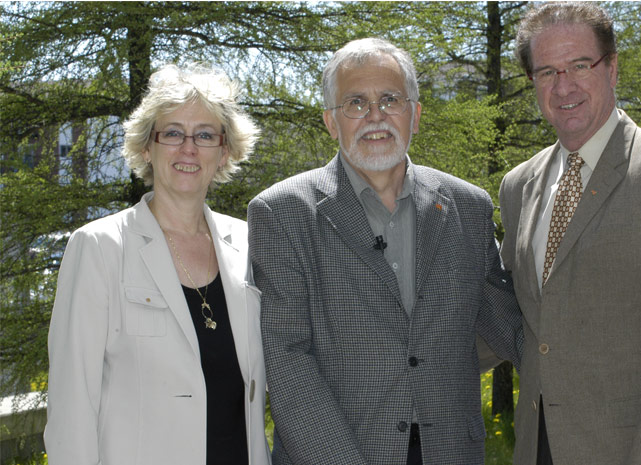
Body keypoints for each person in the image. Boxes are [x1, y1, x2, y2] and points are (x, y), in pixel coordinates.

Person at [248, 38, 523, 465]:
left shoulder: (468, 207)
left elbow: (510, 325)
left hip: (450, 452)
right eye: (355, 103)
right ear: (330, 121)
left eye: (390, 99)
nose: (375, 116)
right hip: (337, 452)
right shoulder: (282, 213)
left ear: (415, 113)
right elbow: (287, 363)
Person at [498, 3, 641, 465]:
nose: (563, 86)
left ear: (613, 68)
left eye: (580, 65)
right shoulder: (518, 186)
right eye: (546, 72)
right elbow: (509, 317)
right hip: (536, 447)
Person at [45, 64, 271, 465]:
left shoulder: (252, 245)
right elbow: (71, 408)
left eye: (204, 134)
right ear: (146, 147)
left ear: (224, 152)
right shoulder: (100, 248)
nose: (188, 149)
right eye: (172, 133)